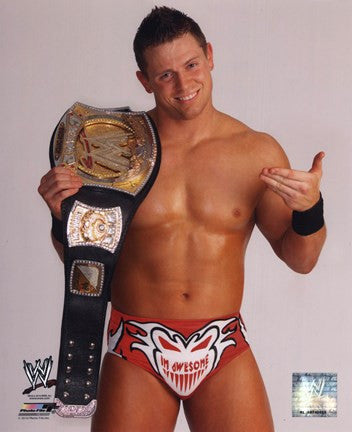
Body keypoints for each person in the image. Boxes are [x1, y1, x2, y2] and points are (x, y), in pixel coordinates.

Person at [38, 6, 326, 432]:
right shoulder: (111, 152)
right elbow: (82, 262)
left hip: (222, 346)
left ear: (210, 55)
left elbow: (301, 260)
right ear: (144, 80)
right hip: (136, 347)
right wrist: (62, 218)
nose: (184, 83)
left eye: (191, 64)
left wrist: (310, 210)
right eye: (165, 74)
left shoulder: (256, 152)